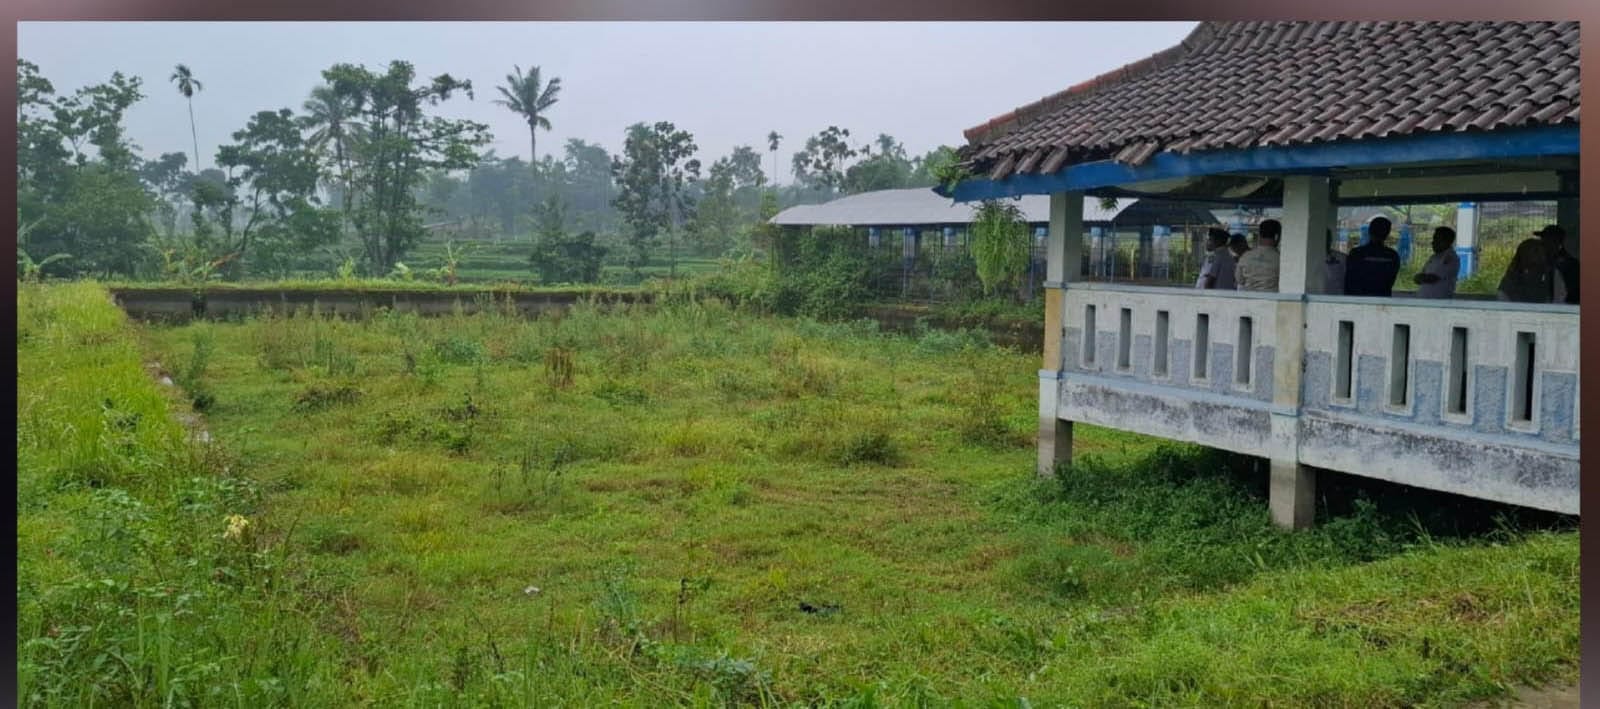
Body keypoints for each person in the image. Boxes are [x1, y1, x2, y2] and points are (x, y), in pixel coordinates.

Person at [1344, 216, 1401, 297]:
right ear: (1387, 234)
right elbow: (1390, 282)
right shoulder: (1392, 256)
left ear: (1369, 231)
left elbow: (1349, 282)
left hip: (1358, 300)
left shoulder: (1357, 253)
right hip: (1381, 302)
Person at [1498, 238, 1558, 303]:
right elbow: (1502, 298)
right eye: (1536, 251)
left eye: (1544, 252)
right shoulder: (1511, 279)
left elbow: (1556, 301)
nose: (1541, 255)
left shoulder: (1553, 276)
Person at [1412, 226, 1460, 299]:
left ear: (1446, 241)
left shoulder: (1450, 257)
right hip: (1424, 301)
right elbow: (1419, 277)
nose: (1433, 242)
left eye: (1436, 239)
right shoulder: (1434, 257)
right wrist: (1421, 277)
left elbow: (1433, 278)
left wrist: (1422, 278)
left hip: (1439, 303)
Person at [1535, 225, 1579, 304]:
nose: (1542, 243)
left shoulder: (1568, 265)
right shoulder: (1548, 262)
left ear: (1556, 242)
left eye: (1546, 240)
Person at [1236, 219, 1281, 291]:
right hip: (1272, 300)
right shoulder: (1280, 259)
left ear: (1259, 234)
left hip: (1248, 299)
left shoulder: (1245, 256)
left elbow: (1239, 281)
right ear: (1277, 236)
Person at [1323, 229, 1347, 295]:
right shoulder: (1312, 258)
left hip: (1337, 298)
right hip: (1317, 297)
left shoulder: (1342, 258)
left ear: (1331, 240)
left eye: (1328, 238)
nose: (1325, 241)